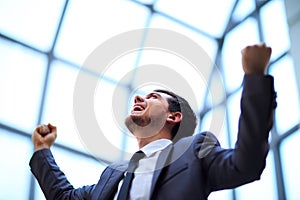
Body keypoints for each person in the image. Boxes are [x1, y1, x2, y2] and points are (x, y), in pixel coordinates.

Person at [30, 43, 277, 200]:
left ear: (173, 116)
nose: (138, 97)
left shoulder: (195, 151)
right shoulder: (112, 175)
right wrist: (43, 150)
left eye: (153, 97)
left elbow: (246, 164)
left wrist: (254, 77)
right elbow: (63, 197)